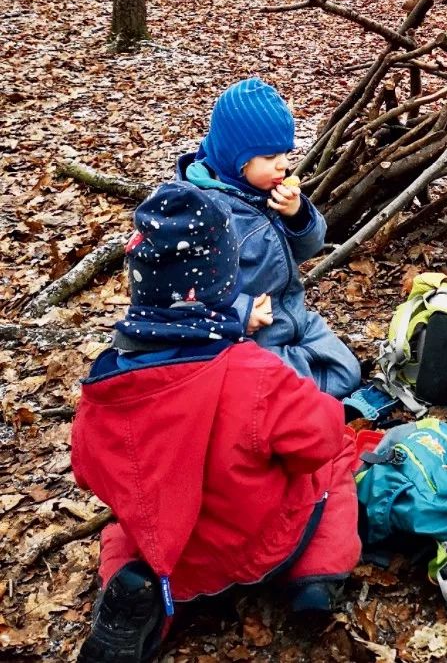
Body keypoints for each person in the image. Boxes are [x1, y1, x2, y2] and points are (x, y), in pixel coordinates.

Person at [71, 183, 361, 663]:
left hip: (169, 554)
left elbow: (89, 471)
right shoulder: (255, 375)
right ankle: (315, 575)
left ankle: (138, 598)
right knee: (337, 462)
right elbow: (318, 439)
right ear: (224, 287)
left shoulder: (108, 384)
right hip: (256, 547)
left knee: (124, 531)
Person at [177, 77, 361, 397]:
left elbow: (312, 245)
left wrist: (298, 214)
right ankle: (264, 384)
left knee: (347, 372)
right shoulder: (207, 213)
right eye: (270, 156)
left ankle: (281, 383)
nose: (284, 164)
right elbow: (188, 291)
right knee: (301, 382)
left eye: (286, 152)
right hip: (250, 334)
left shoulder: (270, 190)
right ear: (239, 160)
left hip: (293, 315)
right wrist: (241, 312)